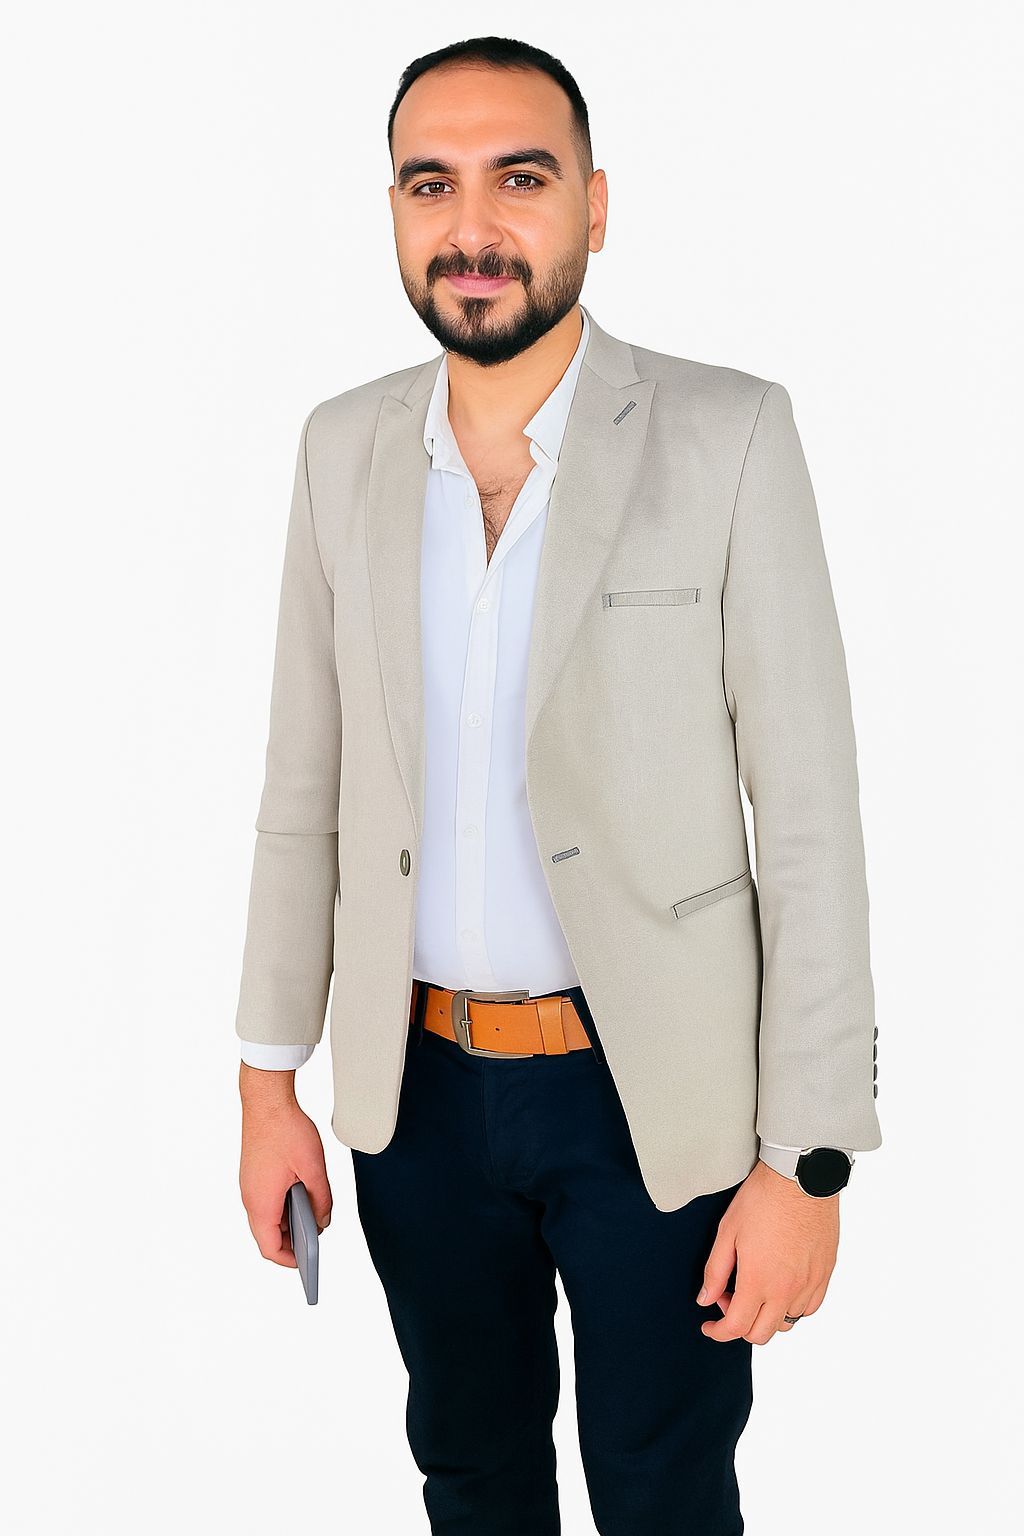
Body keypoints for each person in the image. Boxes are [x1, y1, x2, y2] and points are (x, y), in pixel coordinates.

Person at [235, 34, 882, 1535]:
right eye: (432, 185)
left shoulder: (728, 435)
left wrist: (810, 1162)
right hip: (416, 1098)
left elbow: (808, 823)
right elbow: (300, 791)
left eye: (519, 180)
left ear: (594, 204)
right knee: (471, 1479)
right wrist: (269, 1088)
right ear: (395, 214)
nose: (473, 225)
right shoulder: (340, 450)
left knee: (664, 1494)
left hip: (654, 1097)